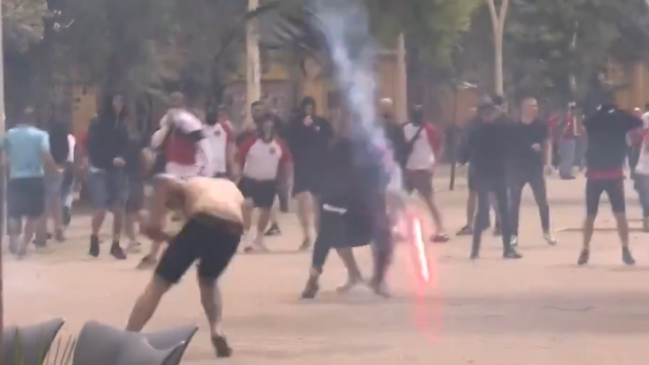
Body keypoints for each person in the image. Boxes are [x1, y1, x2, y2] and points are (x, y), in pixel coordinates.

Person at [125, 176, 243, 358]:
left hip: (203, 219)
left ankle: (128, 337)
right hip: (234, 227)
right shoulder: (225, 188)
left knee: (158, 285)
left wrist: (155, 221)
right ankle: (216, 330)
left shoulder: (190, 183)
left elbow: (161, 180)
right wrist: (167, 237)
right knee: (208, 280)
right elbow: (192, 237)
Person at [301, 112, 393, 299]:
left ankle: (376, 279)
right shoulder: (358, 148)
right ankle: (366, 278)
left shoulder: (337, 147)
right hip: (350, 200)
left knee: (328, 238)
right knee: (332, 237)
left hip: (347, 200)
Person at [138, 102, 213, 268]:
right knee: (161, 213)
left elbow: (205, 156)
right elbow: (155, 143)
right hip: (173, 173)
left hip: (192, 175)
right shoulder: (169, 132)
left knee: (191, 216)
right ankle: (153, 255)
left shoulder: (197, 136)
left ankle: (198, 253)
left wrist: (205, 174)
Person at [578, 103, 641, 266]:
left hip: (594, 174)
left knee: (590, 215)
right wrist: (620, 110)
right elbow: (637, 122)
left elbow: (584, 124)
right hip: (614, 173)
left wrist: (599, 110)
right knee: (620, 214)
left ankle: (585, 248)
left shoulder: (593, 119)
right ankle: (625, 249)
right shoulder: (621, 118)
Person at [460, 98, 522, 260]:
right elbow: (515, 142)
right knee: (499, 212)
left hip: (486, 174)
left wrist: (463, 160)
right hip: (495, 173)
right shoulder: (501, 128)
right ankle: (505, 249)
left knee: (487, 212)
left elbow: (464, 151)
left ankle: (476, 250)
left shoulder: (475, 129)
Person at [2, 106, 55, 257]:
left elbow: (2, 154)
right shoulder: (41, 135)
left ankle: (13, 237)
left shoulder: (9, 135)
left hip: (15, 178)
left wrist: (6, 165)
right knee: (33, 215)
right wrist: (54, 169)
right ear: (34, 119)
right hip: (35, 178)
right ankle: (24, 246)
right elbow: (45, 153)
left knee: (14, 213)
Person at [238, 113, 293, 252]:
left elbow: (287, 161)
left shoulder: (279, 145)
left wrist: (287, 180)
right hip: (250, 180)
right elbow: (237, 157)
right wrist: (237, 173)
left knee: (266, 210)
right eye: (265, 127)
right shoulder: (251, 142)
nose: (268, 130)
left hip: (269, 181)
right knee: (247, 207)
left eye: (271, 127)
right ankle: (246, 238)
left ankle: (259, 239)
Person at [84, 94, 129, 259]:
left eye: (121, 101)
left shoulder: (123, 125)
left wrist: (123, 157)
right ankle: (94, 237)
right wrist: (110, 159)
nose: (119, 105)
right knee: (101, 208)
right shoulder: (96, 123)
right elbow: (92, 146)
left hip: (116, 171)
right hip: (99, 170)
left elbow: (126, 146)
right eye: (116, 101)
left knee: (119, 209)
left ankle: (116, 244)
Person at [285, 96, 333, 250]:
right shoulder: (294, 124)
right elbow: (289, 140)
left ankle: (321, 235)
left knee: (319, 201)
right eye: (306, 107)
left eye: (311, 107)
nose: (309, 110)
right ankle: (307, 234)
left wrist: (313, 128)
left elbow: (329, 139)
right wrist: (302, 127)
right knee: (303, 198)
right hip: (301, 165)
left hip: (319, 166)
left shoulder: (322, 123)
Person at [508, 97, 556, 247]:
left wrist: (547, 163)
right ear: (523, 108)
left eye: (536, 106)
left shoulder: (541, 125)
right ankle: (513, 234)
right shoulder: (514, 126)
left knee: (542, 200)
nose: (534, 108)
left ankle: (547, 231)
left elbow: (547, 143)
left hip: (535, 169)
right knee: (514, 203)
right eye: (531, 106)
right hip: (517, 168)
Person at [401, 105, 449, 242]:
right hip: (412, 169)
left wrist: (434, 165)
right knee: (421, 200)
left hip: (419, 169)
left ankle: (439, 228)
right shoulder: (416, 128)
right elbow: (438, 147)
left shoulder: (427, 129)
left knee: (428, 200)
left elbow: (438, 147)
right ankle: (438, 228)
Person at [36, 107, 69, 246]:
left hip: (46, 165)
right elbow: (66, 146)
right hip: (59, 163)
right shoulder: (61, 127)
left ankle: (42, 234)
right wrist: (62, 162)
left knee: (46, 200)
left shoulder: (42, 129)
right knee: (56, 198)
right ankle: (59, 229)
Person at [122, 114, 149, 252]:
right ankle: (138, 234)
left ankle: (132, 239)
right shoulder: (137, 139)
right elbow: (145, 158)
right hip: (137, 176)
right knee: (136, 208)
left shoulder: (123, 140)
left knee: (129, 211)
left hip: (127, 176)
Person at [203, 105, 237, 179]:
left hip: (219, 168)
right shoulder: (200, 129)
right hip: (205, 168)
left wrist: (232, 167)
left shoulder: (225, 128)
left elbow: (230, 148)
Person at [556, 103, 579, 180]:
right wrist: (563, 134)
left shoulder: (566, 117)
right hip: (568, 139)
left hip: (566, 139)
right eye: (572, 109)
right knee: (568, 157)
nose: (574, 110)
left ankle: (563, 172)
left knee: (566, 157)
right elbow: (566, 127)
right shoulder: (569, 118)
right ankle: (565, 173)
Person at [634, 130, 649, 231]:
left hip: (642, 171)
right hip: (644, 171)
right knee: (646, 201)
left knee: (646, 200)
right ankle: (646, 223)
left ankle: (646, 223)